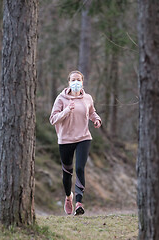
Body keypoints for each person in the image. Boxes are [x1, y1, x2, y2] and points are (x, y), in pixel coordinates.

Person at [49, 70, 102, 216]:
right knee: (67, 173)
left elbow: (92, 112)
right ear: (69, 82)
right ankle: (68, 197)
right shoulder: (61, 98)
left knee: (79, 168)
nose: (76, 82)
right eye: (73, 80)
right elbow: (53, 119)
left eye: (78, 79)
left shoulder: (88, 98)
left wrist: (96, 120)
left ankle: (79, 202)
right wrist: (66, 110)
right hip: (65, 140)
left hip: (83, 138)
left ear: (82, 82)